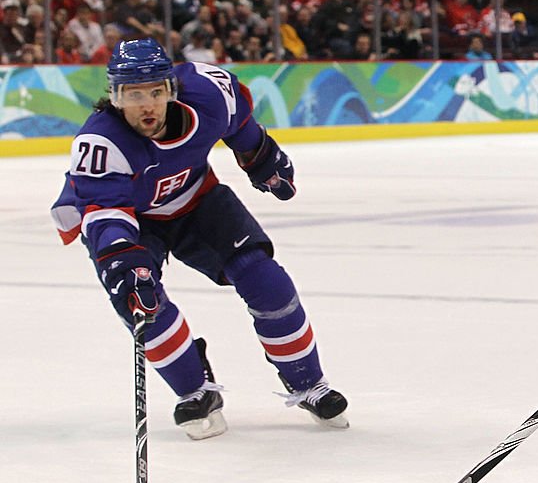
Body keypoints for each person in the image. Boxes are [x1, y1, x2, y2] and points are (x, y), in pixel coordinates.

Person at [50, 39, 349, 440]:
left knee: (266, 280)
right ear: (115, 97)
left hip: (198, 200)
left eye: (156, 92)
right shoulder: (99, 144)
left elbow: (241, 124)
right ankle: (194, 389)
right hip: (134, 219)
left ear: (172, 88)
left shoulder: (209, 92)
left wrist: (260, 158)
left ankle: (310, 384)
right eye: (133, 95)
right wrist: (124, 261)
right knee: (140, 302)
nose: (148, 106)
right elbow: (106, 216)